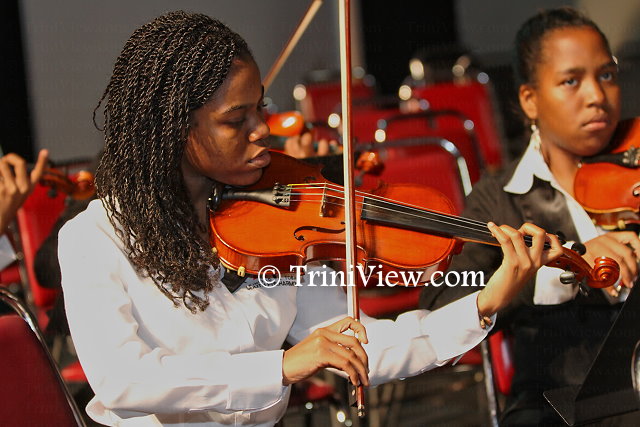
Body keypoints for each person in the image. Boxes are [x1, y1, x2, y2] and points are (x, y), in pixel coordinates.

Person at [58, 11, 562, 426]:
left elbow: (362, 345)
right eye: (235, 120)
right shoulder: (94, 237)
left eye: (260, 109)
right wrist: (280, 366)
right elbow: (123, 380)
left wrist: (485, 301)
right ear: (172, 129)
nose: (263, 130)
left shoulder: (274, 220)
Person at [420, 7, 640, 425]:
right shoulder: (499, 200)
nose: (597, 95)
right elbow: (440, 301)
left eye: (607, 75)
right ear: (530, 100)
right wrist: (552, 273)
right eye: (571, 81)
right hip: (558, 398)